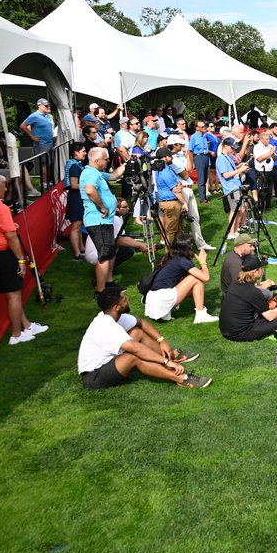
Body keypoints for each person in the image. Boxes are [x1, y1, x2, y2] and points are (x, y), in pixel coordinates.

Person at [77, 286, 210, 389]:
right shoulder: (105, 325)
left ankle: (172, 355)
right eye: (124, 299)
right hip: (93, 376)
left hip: (109, 363)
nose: (127, 301)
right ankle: (183, 379)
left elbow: (141, 323)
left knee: (137, 332)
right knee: (132, 357)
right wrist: (164, 362)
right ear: (116, 307)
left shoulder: (115, 316)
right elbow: (134, 348)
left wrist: (162, 340)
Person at [0, 174, 47, 346]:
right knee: (14, 295)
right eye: (3, 186)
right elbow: (11, 236)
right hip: (3, 255)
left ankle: (27, 326)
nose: (6, 189)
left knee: (12, 295)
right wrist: (20, 260)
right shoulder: (0, 208)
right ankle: (16, 334)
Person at [80, 146, 127, 293]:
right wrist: (102, 207)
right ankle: (101, 291)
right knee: (105, 255)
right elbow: (89, 190)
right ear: (97, 160)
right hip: (98, 220)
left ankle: (109, 282)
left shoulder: (97, 173)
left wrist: (129, 162)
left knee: (110, 252)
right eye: (106, 159)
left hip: (103, 221)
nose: (107, 161)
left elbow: (113, 176)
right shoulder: (90, 174)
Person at [141, 234, 216, 324]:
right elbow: (206, 277)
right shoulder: (182, 261)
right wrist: (203, 262)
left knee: (195, 279)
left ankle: (168, 313)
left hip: (153, 299)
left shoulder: (170, 256)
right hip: (161, 299)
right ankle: (200, 315)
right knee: (196, 279)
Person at [219, 251, 277, 343]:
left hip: (226, 329)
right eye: (261, 268)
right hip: (240, 333)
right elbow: (270, 317)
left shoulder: (235, 283)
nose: (262, 270)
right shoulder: (254, 292)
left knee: (264, 315)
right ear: (256, 271)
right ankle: (271, 333)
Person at [216, 137, 250, 239]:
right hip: (230, 188)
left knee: (239, 210)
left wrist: (241, 167)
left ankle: (235, 230)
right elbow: (225, 175)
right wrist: (240, 170)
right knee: (234, 210)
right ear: (225, 146)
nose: (233, 150)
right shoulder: (221, 159)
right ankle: (231, 232)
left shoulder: (228, 157)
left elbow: (232, 169)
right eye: (232, 147)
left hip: (236, 185)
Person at [20, 98, 55, 184]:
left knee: (49, 163)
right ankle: (44, 182)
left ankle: (48, 180)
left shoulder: (47, 116)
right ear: (40, 106)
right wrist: (32, 136)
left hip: (50, 142)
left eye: (48, 105)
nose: (47, 107)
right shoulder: (34, 115)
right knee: (44, 163)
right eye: (46, 105)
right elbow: (23, 126)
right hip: (41, 144)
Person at [153, 146, 183, 246]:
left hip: (169, 201)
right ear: (164, 157)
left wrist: (179, 185)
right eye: (170, 156)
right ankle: (170, 253)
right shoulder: (164, 171)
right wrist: (184, 202)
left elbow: (177, 183)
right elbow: (175, 189)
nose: (172, 158)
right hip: (171, 203)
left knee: (178, 229)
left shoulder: (163, 168)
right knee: (172, 230)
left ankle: (177, 251)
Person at [65, 143, 87, 260]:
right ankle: (77, 254)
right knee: (76, 226)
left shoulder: (77, 164)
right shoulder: (74, 166)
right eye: (83, 151)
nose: (85, 153)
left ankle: (82, 249)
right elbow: (73, 185)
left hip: (79, 199)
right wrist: (88, 186)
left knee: (79, 225)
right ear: (76, 152)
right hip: (75, 199)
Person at [188, 120, 213, 204]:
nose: (204, 128)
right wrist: (192, 162)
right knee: (201, 178)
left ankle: (204, 196)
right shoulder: (194, 137)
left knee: (205, 177)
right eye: (202, 127)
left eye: (205, 126)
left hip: (206, 156)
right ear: (197, 128)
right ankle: (202, 199)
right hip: (199, 157)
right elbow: (190, 150)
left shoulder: (204, 136)